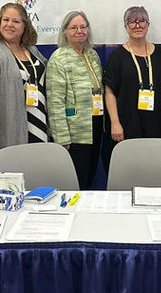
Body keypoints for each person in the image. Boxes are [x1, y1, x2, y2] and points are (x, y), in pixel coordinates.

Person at [102, 6, 161, 173]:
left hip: (159, 126)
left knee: (157, 171)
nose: (137, 25)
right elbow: (109, 92)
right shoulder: (117, 57)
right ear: (125, 27)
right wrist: (115, 123)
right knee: (131, 171)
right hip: (128, 126)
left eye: (142, 21)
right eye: (132, 22)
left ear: (148, 25)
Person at [0, 3, 48, 161]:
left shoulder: (31, 49)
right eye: (5, 20)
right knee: (13, 167)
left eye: (16, 21)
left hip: (37, 122)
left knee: (36, 167)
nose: (9, 25)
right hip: (9, 127)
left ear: (25, 26)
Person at [46, 11, 103, 189]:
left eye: (83, 27)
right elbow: (55, 102)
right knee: (78, 182)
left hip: (95, 125)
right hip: (74, 131)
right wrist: (62, 138)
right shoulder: (58, 58)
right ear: (65, 31)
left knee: (90, 176)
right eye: (74, 27)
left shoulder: (92, 55)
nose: (79, 31)